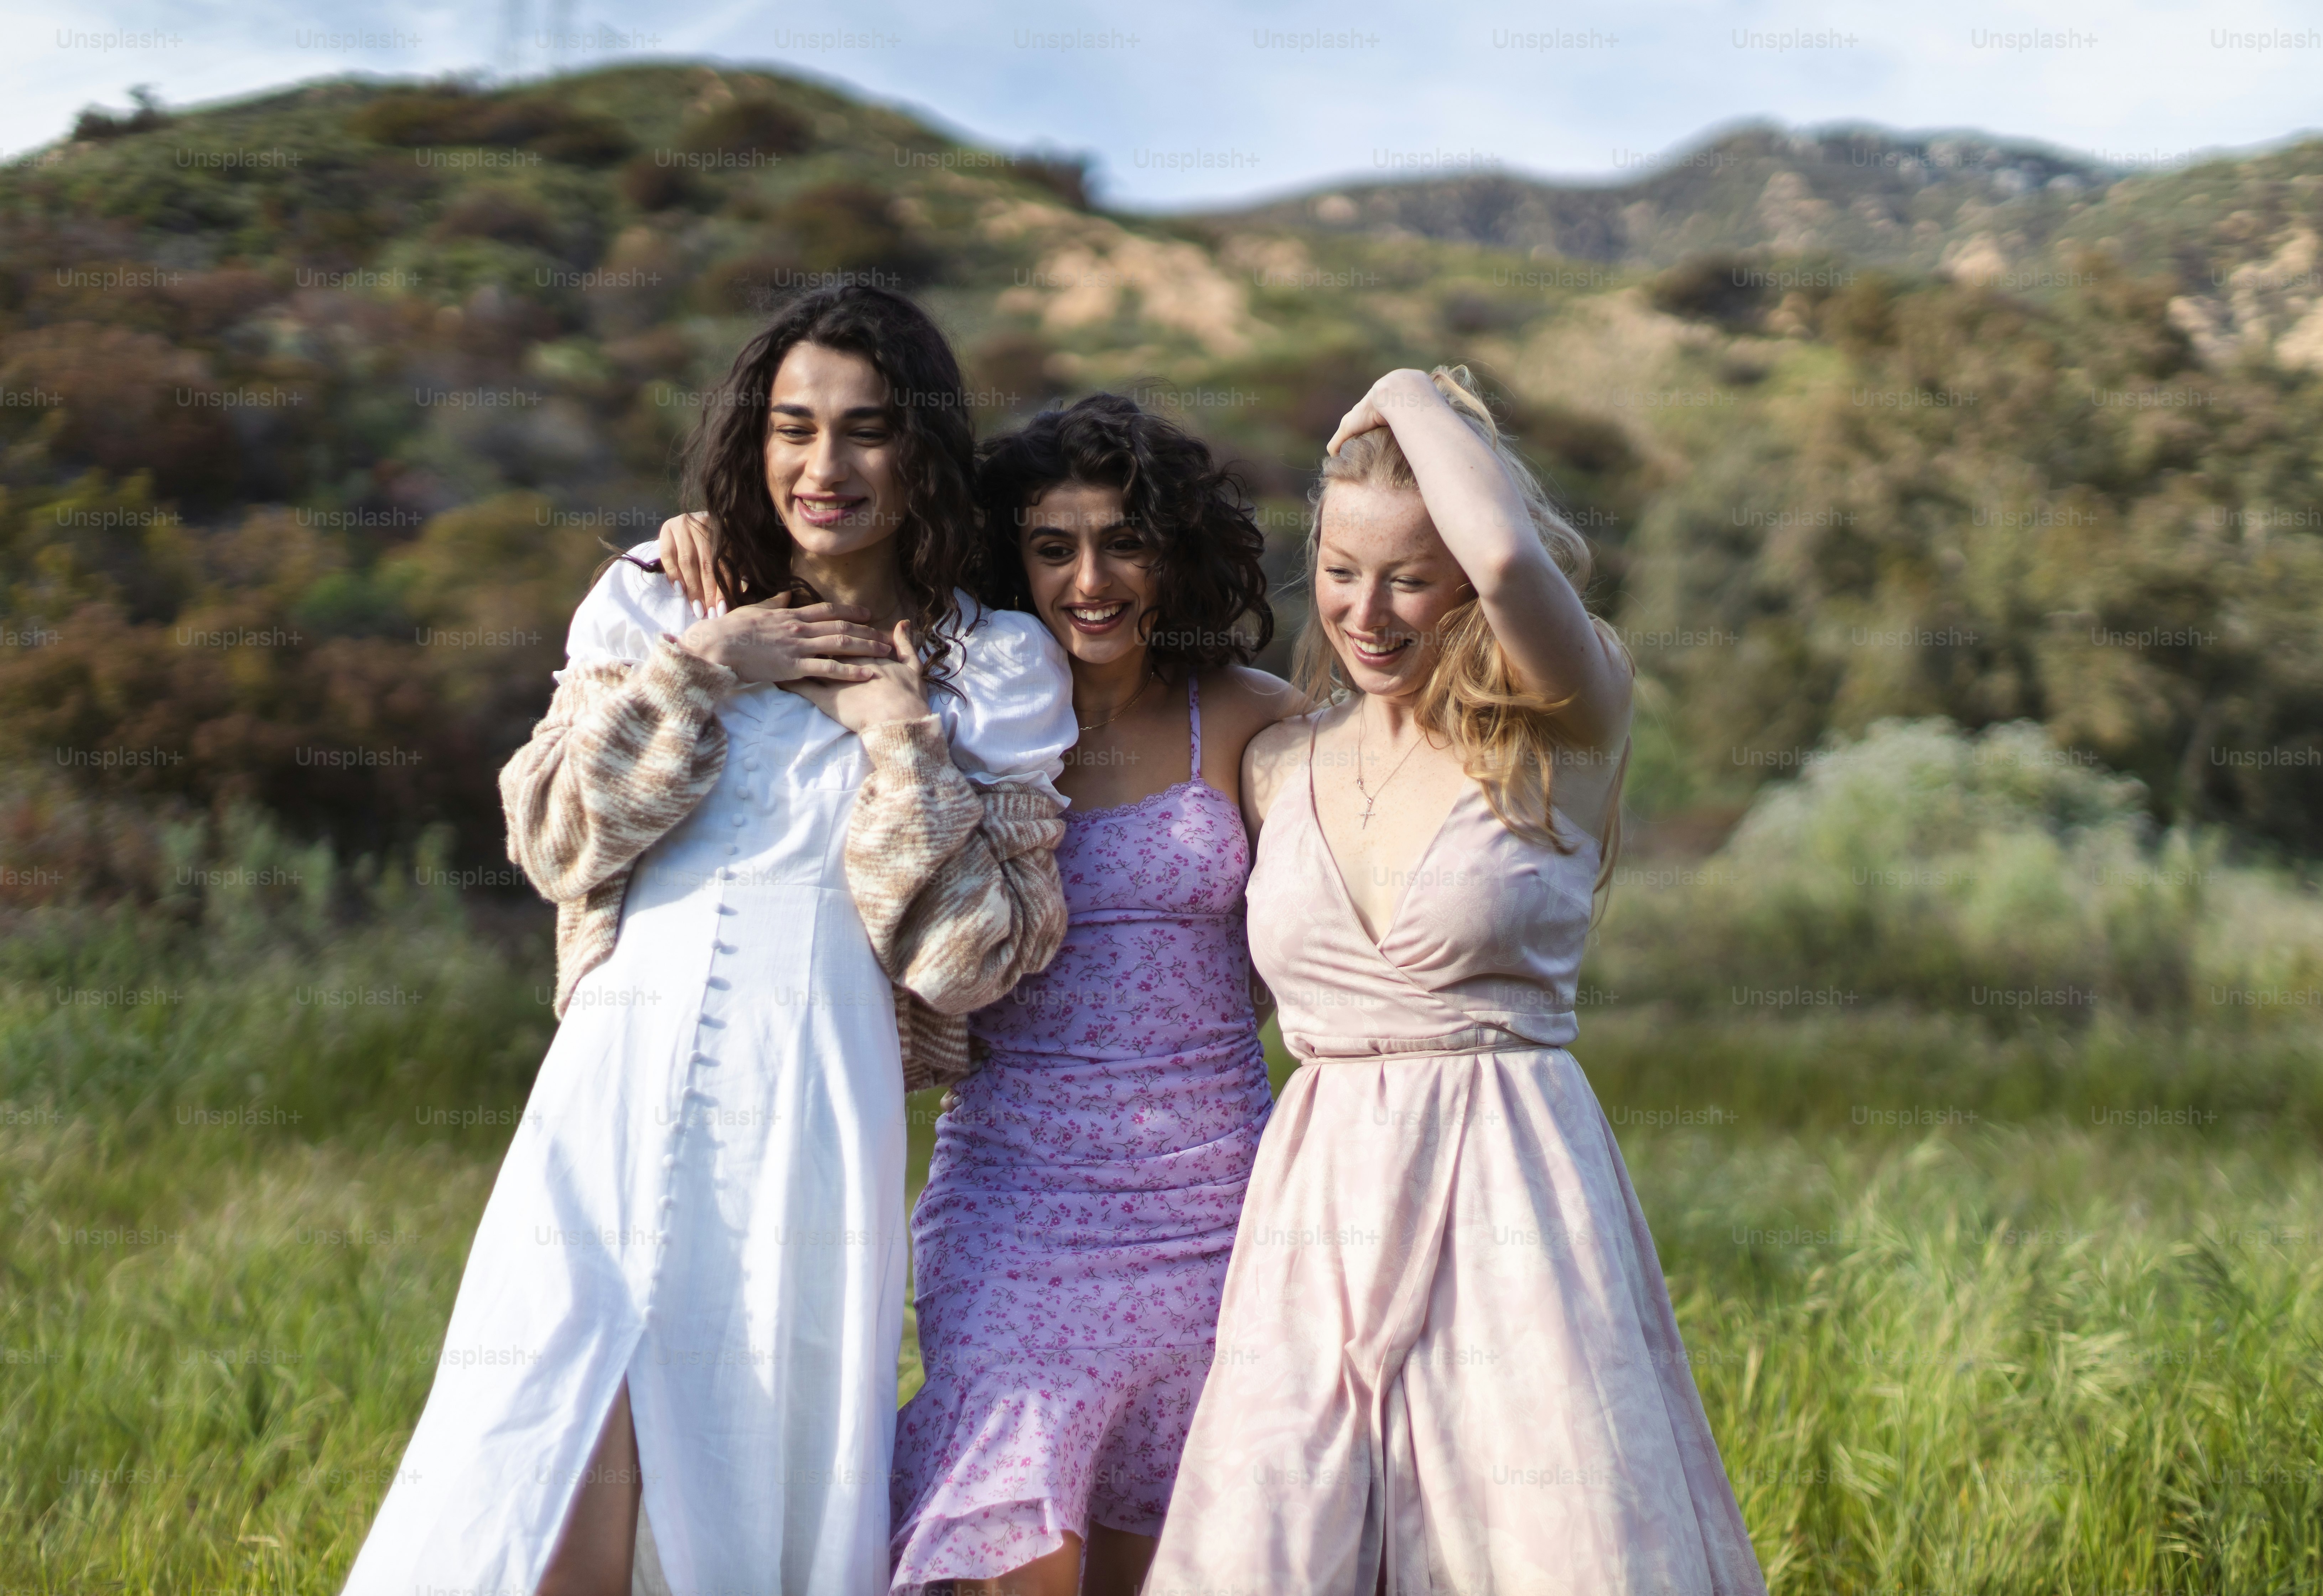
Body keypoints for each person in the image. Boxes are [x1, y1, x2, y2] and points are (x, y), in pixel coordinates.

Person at [339, 284, 1077, 1596]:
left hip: (814, 1102)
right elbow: (562, 845)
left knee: (749, 1450)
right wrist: (707, 666)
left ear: (923, 450)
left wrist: (899, 733)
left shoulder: (991, 659)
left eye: (867, 430)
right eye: (794, 428)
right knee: (553, 1428)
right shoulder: (651, 598)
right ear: (754, 438)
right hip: (612, 1089)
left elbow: (971, 962)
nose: (824, 467)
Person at [659, 392, 1307, 1596]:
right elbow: (815, 581)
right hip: (1015, 1210)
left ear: (1175, 551)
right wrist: (704, 532)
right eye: (1053, 548)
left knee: (1173, 1568)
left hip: (1219, 1211)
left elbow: (1324, 940)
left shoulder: (1256, 719)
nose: (1091, 579)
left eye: (1125, 542)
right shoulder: (969, 710)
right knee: (1012, 1549)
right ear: (1011, 558)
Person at [1144, 367, 1770, 1595]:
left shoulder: (1563, 726)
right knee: (1276, 1549)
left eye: (1410, 578)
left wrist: (1404, 395)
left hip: (1513, 1197)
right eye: (1337, 571)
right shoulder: (1274, 761)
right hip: (1315, 1211)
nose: (1365, 614)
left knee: (1541, 1545)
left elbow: (1516, 568)